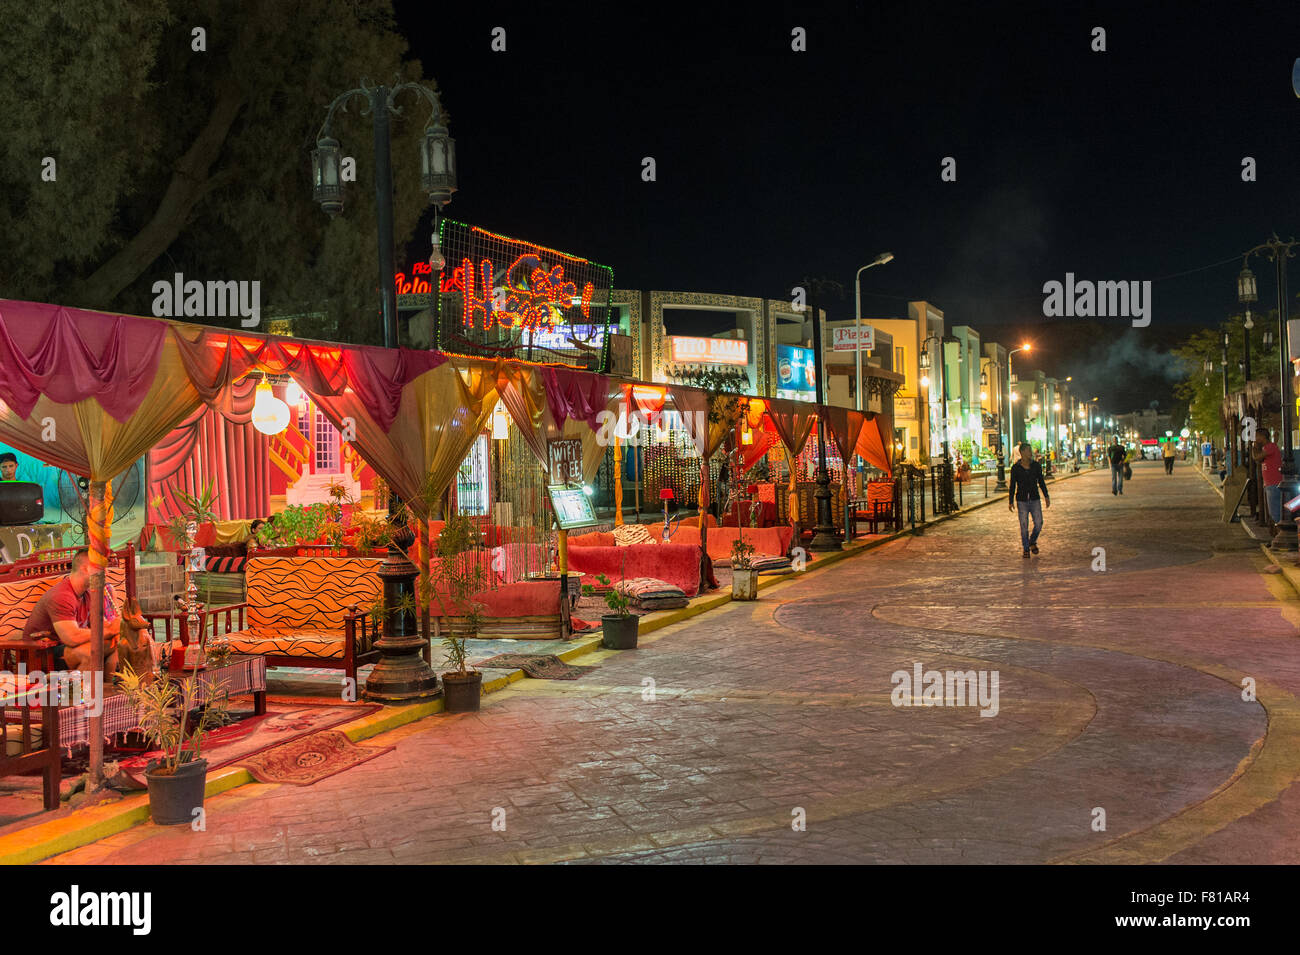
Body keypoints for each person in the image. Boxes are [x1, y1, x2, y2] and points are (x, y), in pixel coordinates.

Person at [21, 549, 121, 674]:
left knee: (116, 643)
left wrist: (119, 628)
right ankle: (85, 692)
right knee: (91, 652)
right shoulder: (62, 595)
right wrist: (110, 630)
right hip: (41, 653)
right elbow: (71, 637)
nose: (107, 572)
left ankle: (107, 688)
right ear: (87, 569)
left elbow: (101, 624)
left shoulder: (89, 591)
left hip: (66, 647)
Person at [1008, 442, 1050, 558]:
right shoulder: (1015, 468)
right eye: (1028, 451)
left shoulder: (1036, 466)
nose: (1030, 453)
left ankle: (1032, 541)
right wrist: (1010, 500)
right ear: (1022, 452)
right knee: (1023, 526)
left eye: (1030, 450)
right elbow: (1012, 485)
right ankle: (1026, 548)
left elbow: (1041, 481)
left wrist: (1046, 496)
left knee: (1039, 523)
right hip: (1021, 500)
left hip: (1034, 498)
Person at [1251, 427, 1283, 529]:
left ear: (1262, 437)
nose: (1255, 439)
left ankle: (1278, 534)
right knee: (1273, 511)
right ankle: (1277, 533)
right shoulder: (1267, 448)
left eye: (1257, 437)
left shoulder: (1270, 447)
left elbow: (1256, 457)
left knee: (1275, 512)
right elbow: (1258, 461)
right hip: (1270, 484)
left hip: (1274, 483)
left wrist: (1253, 447)